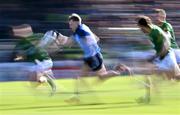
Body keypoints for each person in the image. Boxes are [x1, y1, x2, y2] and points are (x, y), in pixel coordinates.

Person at [136, 15, 180, 103]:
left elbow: (167, 41)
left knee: (175, 77)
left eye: (140, 27)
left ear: (144, 26)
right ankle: (147, 98)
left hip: (167, 56)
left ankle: (149, 97)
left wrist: (157, 56)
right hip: (161, 56)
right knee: (148, 73)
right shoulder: (150, 31)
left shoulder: (155, 31)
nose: (140, 29)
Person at [13, 24, 56, 96]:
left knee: (36, 79)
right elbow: (23, 55)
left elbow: (48, 40)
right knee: (33, 82)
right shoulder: (21, 43)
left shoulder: (36, 36)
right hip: (37, 63)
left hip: (45, 61)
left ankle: (47, 81)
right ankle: (47, 81)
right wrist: (20, 57)